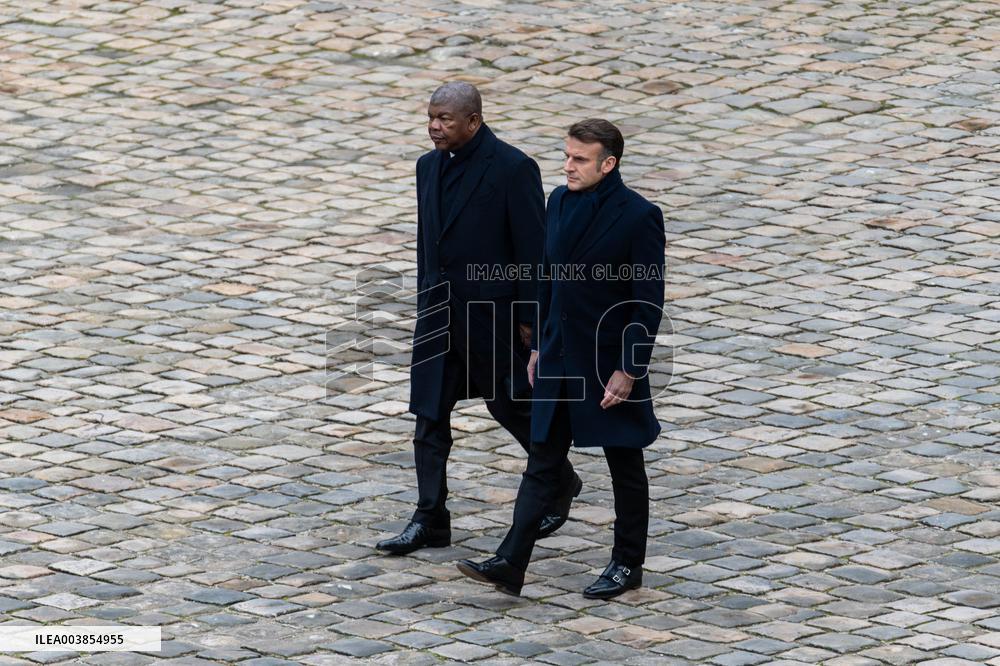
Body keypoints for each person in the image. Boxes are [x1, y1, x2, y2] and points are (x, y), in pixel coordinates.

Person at [456, 118, 665, 599]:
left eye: (579, 159)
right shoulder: (559, 200)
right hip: (557, 358)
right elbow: (549, 278)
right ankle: (511, 562)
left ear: (608, 164)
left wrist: (629, 369)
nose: (567, 166)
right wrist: (538, 348)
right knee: (543, 460)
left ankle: (627, 563)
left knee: (624, 465)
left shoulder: (639, 216)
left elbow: (646, 301)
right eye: (567, 155)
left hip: (607, 365)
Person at [376, 83, 582, 555]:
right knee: (429, 415)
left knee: (509, 405)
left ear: (473, 120)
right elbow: (428, 240)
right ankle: (431, 517)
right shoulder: (426, 167)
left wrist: (530, 318)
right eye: (431, 117)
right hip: (438, 313)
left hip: (494, 315)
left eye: (445, 118)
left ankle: (560, 478)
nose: (434, 126)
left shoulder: (512, 168)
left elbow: (533, 249)